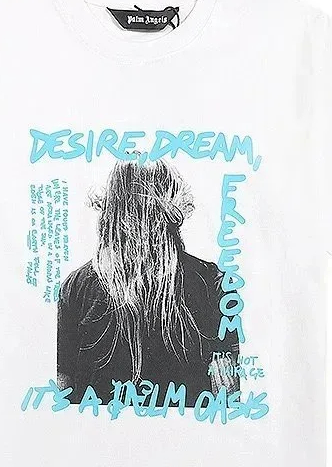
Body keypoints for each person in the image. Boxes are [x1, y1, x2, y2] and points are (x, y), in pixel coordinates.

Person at [57, 159, 240, 407]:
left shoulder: (75, 288)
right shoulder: (214, 283)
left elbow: (61, 393)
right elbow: (230, 392)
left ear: (110, 211)